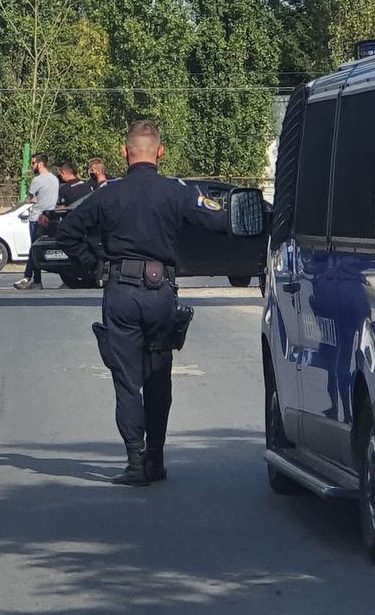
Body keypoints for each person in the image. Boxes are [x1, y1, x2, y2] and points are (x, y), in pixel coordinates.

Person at [57, 121, 228, 487]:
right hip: (160, 293)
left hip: (120, 291)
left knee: (126, 380)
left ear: (124, 152)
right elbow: (217, 220)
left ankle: (135, 461)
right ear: (160, 153)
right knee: (158, 376)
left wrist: (94, 265)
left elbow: (68, 230)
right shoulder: (177, 192)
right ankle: (157, 458)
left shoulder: (107, 194)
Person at [14, 153, 59, 290]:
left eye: (33, 163)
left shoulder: (37, 180)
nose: (32, 166)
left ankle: (27, 277)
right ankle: (37, 280)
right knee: (37, 248)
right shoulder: (54, 179)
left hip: (36, 217)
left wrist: (30, 200)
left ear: (40, 164)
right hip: (49, 217)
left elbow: (30, 199)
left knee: (34, 248)